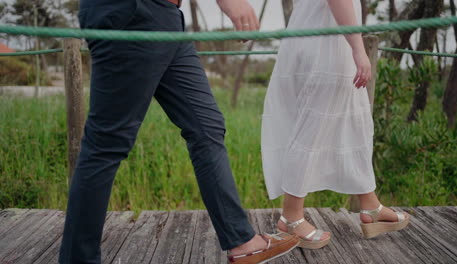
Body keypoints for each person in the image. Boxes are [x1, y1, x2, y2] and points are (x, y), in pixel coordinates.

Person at [58, 0, 299, 263]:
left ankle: (242, 241)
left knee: (206, 127)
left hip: (166, 17)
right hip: (134, 12)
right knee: (106, 144)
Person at [261, 0, 410, 248]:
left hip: (318, 37)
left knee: (355, 123)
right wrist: (358, 49)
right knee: (312, 129)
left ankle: (370, 205)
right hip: (327, 45)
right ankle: (291, 217)